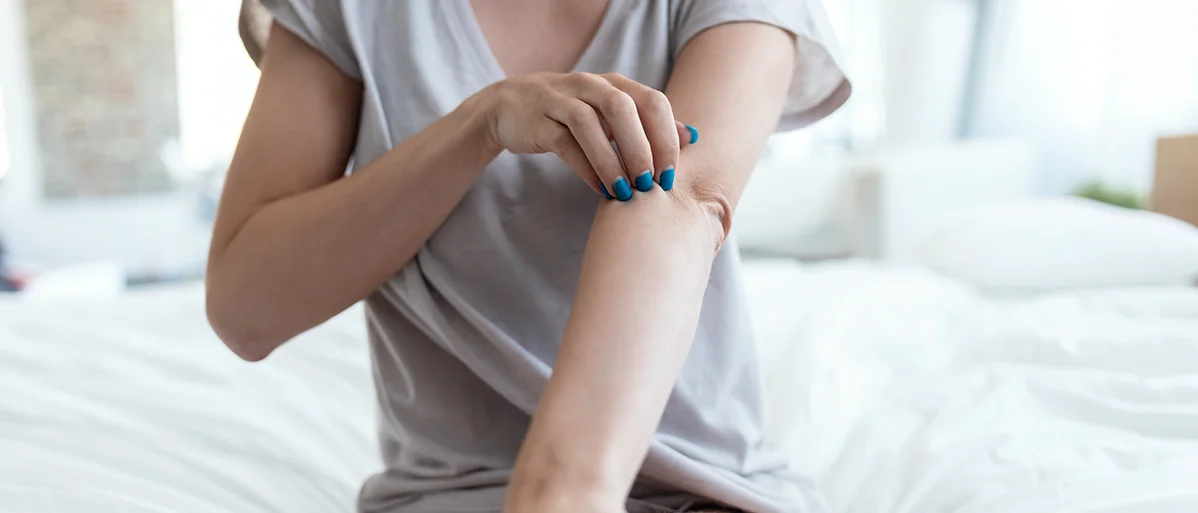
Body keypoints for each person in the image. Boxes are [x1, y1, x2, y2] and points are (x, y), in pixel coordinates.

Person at [208, 1, 850, 512]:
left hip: (701, 490)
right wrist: (481, 124)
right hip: (452, 498)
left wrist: (565, 491)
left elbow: (682, 200)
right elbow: (245, 308)